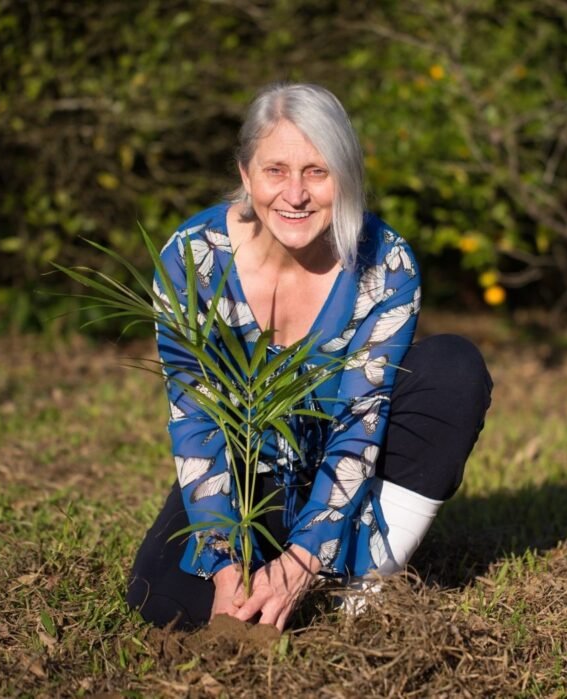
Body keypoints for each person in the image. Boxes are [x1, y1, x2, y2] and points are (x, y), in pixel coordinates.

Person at [127, 82, 492, 631]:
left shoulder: (384, 264)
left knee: (454, 369)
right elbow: (195, 418)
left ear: (343, 176)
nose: (295, 194)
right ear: (247, 175)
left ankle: (363, 583)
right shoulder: (191, 258)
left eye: (316, 172)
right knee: (162, 598)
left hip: (350, 461)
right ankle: (284, 567)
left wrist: (302, 562)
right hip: (250, 474)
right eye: (275, 171)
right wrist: (225, 562)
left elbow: (359, 425)